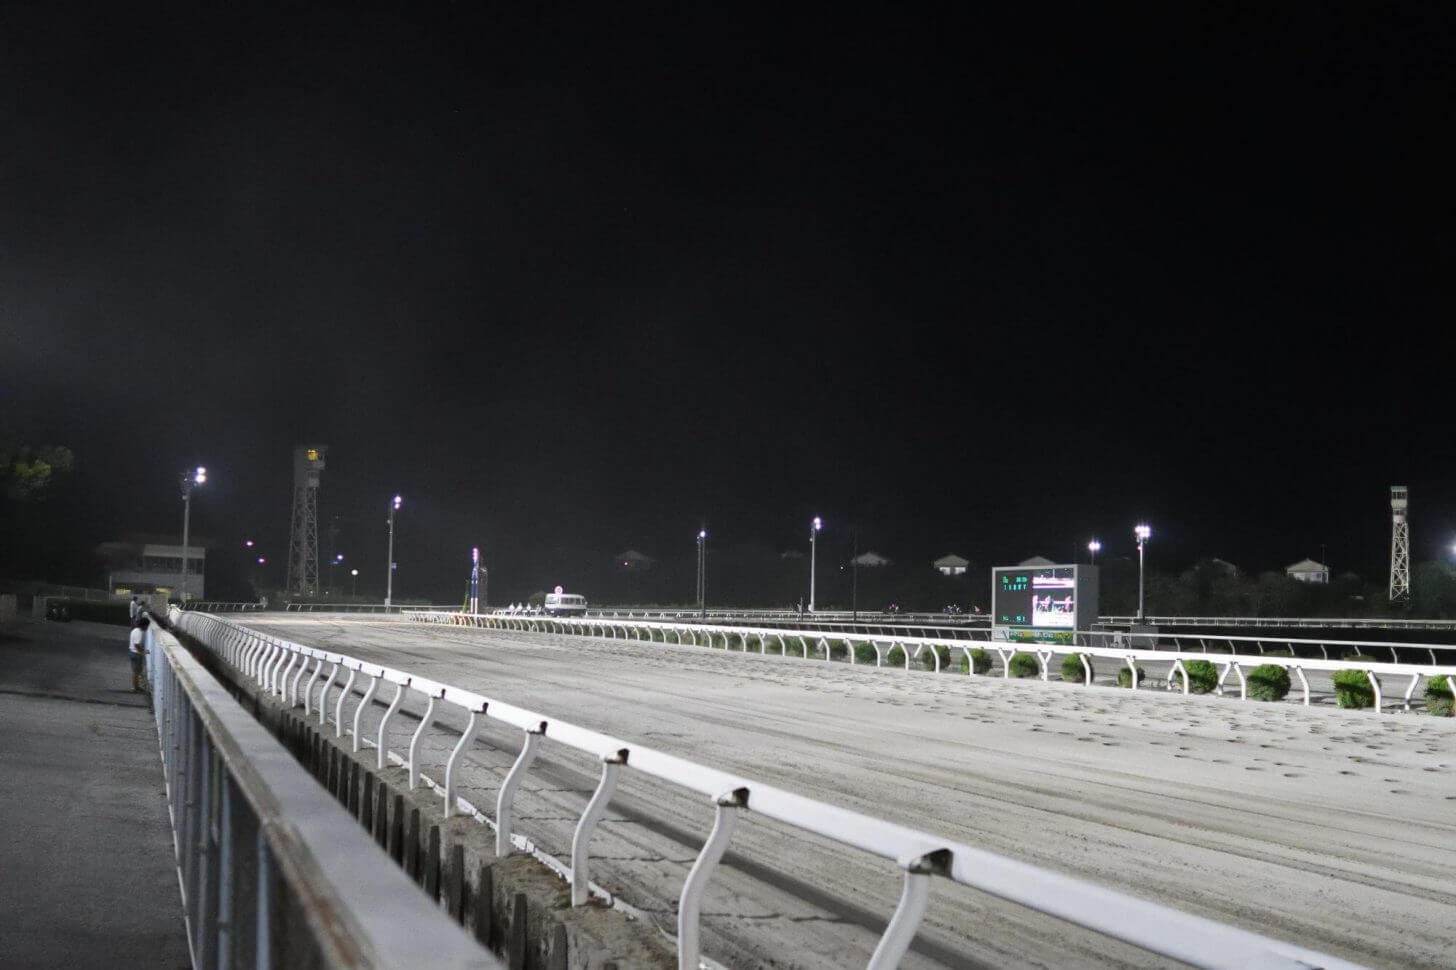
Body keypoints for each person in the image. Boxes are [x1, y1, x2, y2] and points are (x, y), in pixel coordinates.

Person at [128, 616, 151, 692]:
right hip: (136, 654)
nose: (148, 627)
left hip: (132, 652)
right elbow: (136, 644)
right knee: (136, 672)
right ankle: (135, 688)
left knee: (136, 672)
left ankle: (137, 686)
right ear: (144, 625)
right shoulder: (139, 632)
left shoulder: (135, 630)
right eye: (147, 626)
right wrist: (143, 652)